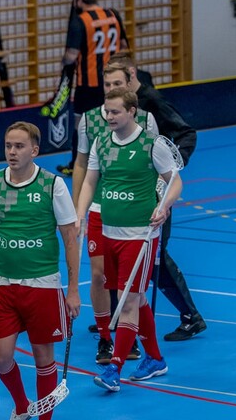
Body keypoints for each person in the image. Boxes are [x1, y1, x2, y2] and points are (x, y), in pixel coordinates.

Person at [0, 123, 81, 420]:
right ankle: (22, 406)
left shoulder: (52, 185)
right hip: (4, 284)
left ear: (34, 150)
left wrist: (73, 290)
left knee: (43, 358)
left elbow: (70, 238)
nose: (12, 151)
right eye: (8, 145)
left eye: (19, 146)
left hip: (43, 284)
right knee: (1, 357)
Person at [75, 89, 183, 392]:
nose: (109, 117)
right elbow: (90, 181)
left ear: (132, 111)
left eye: (115, 112)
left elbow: (174, 182)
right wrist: (80, 215)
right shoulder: (101, 142)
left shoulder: (152, 144)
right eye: (107, 112)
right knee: (138, 298)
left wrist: (164, 207)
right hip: (108, 233)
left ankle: (115, 369)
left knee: (128, 301)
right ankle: (155, 359)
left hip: (139, 237)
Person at [71, 57, 159, 365]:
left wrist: (158, 203)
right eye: (107, 84)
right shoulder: (89, 121)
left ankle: (129, 337)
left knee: (128, 286)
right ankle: (106, 339)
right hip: (100, 210)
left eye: (117, 83)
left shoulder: (146, 120)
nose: (111, 88)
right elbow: (83, 166)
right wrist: (78, 211)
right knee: (98, 276)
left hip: (134, 215)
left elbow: (157, 166)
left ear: (129, 84)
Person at [115, 54, 206, 341]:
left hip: (156, 191)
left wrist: (169, 169)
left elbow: (187, 133)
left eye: (116, 82)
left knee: (156, 257)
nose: (111, 89)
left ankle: (191, 316)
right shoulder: (116, 108)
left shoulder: (151, 101)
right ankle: (120, 312)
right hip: (129, 192)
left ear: (131, 75)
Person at [59, 0, 129, 168]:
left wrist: (63, 63)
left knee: (80, 124)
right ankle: (117, 161)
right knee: (114, 119)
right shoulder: (113, 15)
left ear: (79, 0)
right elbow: (124, 46)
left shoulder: (80, 21)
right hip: (114, 81)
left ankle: (76, 164)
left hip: (89, 84)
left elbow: (71, 55)